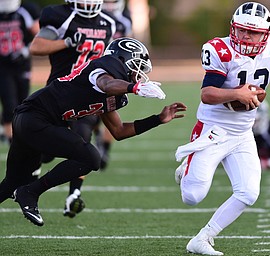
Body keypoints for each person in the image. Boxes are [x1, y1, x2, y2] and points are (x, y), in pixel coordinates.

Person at [174, 2, 270, 255]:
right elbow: (207, 94)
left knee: (249, 193)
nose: (245, 36)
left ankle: (203, 238)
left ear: (266, 34)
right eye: (240, 30)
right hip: (213, 131)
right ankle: (187, 167)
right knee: (192, 196)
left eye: (252, 32)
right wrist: (235, 93)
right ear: (233, 28)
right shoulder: (220, 49)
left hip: (242, 133)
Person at [0, 37, 187, 227]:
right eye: (137, 66)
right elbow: (106, 84)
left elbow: (119, 131)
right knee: (90, 157)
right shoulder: (103, 69)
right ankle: (31, 192)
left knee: (13, 182)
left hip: (29, 121)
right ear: (122, 60)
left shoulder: (114, 92)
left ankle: (26, 190)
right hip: (36, 118)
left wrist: (158, 119)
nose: (138, 74)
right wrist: (134, 88)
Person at [29, 0, 118, 218]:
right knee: (48, 152)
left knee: (83, 143)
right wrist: (67, 42)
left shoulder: (108, 23)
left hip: (87, 94)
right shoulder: (58, 15)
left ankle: (73, 196)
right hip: (58, 94)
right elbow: (36, 47)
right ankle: (30, 173)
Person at [94, 0, 133, 170]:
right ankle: (98, 136)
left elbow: (130, 47)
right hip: (96, 71)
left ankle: (105, 149)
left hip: (116, 72)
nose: (109, 5)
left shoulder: (123, 21)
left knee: (111, 109)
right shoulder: (97, 19)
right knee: (92, 113)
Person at [0, 0, 40, 143]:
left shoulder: (25, 10)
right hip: (3, 66)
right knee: (9, 103)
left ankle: (19, 135)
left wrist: (26, 49)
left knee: (22, 104)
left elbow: (40, 35)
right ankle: (13, 142)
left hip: (22, 65)